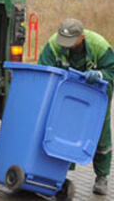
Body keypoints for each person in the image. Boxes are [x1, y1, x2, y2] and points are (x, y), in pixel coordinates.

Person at [38, 18, 114, 196]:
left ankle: (102, 177)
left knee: (100, 133)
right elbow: (43, 71)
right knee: (63, 131)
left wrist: (101, 74)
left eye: (72, 42)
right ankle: (59, 174)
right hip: (66, 94)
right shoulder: (54, 44)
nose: (67, 46)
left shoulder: (99, 45)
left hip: (95, 94)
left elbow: (113, 70)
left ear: (82, 36)